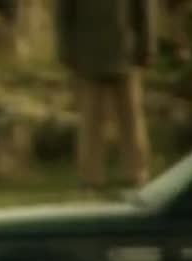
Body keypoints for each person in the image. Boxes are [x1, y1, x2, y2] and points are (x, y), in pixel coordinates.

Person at [55, 0, 157, 190]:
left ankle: (136, 173)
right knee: (91, 120)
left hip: (125, 52)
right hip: (88, 55)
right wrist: (66, 51)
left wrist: (147, 48)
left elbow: (143, 11)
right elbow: (64, 14)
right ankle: (90, 177)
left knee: (131, 117)